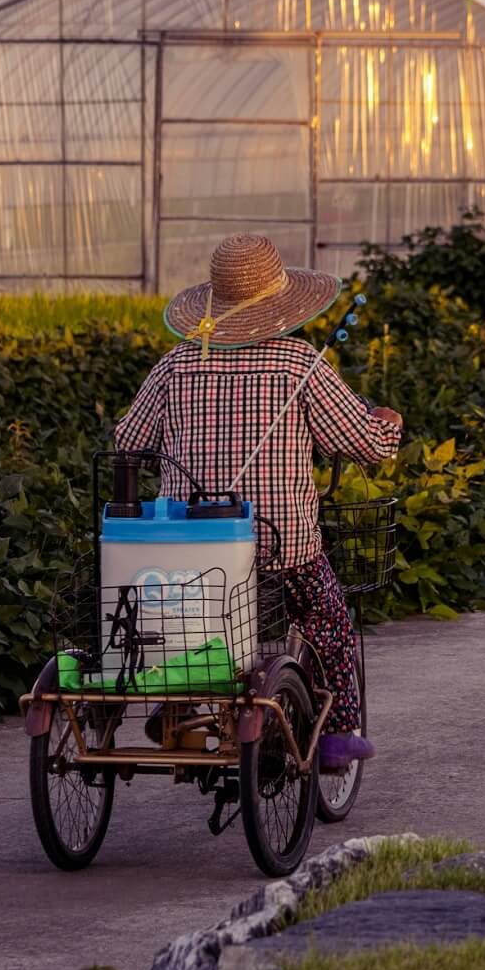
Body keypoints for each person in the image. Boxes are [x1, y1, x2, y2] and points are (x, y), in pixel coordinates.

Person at [112, 232, 402, 771]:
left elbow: (127, 441)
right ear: (281, 300)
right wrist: (387, 425)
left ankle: (176, 704)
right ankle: (337, 735)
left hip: (185, 547)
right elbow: (364, 443)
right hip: (278, 546)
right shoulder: (299, 364)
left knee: (181, 618)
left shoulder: (177, 363)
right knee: (330, 623)